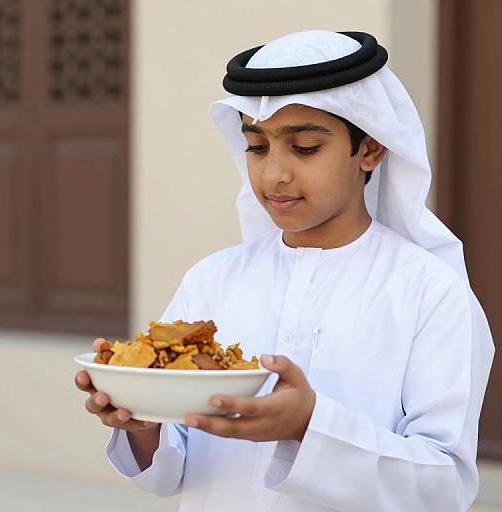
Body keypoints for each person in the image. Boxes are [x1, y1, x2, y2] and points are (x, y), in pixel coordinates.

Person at [75, 30, 494, 511]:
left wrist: (309, 427)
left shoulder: (431, 293)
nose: (274, 174)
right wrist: (142, 419)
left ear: (370, 150)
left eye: (305, 148)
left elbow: (445, 488)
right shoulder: (211, 280)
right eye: (257, 147)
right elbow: (171, 471)